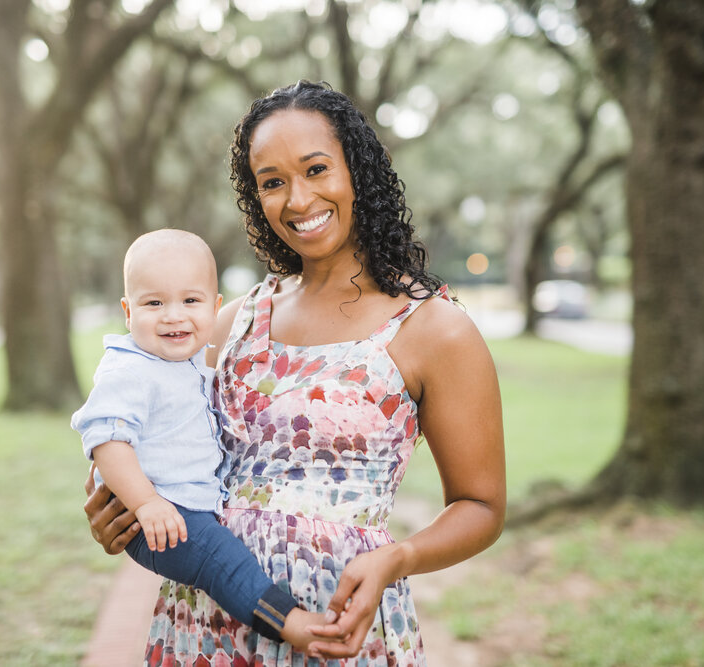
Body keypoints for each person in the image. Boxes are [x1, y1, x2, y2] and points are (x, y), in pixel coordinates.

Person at [84, 80, 506, 665]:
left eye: (315, 169)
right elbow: (150, 425)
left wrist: (397, 558)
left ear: (357, 171)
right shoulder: (234, 321)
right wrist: (120, 510)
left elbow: (481, 507)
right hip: (206, 619)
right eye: (273, 182)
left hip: (337, 623)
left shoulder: (433, 329)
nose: (298, 199)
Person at [71, 229, 330, 648]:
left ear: (215, 307)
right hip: (159, 513)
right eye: (154, 303)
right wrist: (146, 502)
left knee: (217, 554)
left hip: (182, 506)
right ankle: (288, 624)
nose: (173, 316)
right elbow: (106, 441)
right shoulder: (129, 369)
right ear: (127, 310)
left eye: (190, 301)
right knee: (218, 560)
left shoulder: (186, 360)